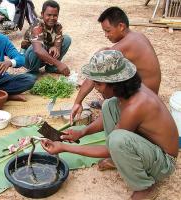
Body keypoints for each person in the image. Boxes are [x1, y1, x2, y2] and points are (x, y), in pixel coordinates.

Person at [41, 50, 178, 200]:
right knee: (108, 105)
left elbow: (111, 147)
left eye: (98, 84)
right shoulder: (126, 93)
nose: (96, 88)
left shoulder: (136, 106)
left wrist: (65, 147)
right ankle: (121, 160)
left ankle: (145, 187)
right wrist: (82, 132)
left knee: (117, 140)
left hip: (164, 162)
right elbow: (112, 116)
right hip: (150, 146)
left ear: (115, 83)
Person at [71, 7, 161, 116]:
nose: (106, 35)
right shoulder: (137, 36)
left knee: (105, 78)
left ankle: (113, 105)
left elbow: (95, 74)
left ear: (121, 26)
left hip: (145, 101)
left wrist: (77, 102)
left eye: (108, 31)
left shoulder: (128, 44)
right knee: (105, 54)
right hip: (149, 94)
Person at [21, 0, 71, 76]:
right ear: (42, 14)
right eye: (49, 15)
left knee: (67, 39)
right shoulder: (37, 25)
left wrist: (55, 47)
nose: (52, 18)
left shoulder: (58, 26)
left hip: (43, 56)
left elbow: (58, 43)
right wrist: (58, 64)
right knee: (37, 47)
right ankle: (33, 72)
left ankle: (51, 67)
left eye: (55, 15)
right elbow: (38, 50)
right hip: (28, 59)